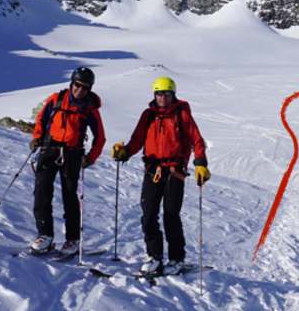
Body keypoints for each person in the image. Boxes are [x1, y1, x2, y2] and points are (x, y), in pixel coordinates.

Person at [111, 76, 210, 275]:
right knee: (148, 214)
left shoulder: (182, 114)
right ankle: (154, 256)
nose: (162, 97)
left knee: (171, 215)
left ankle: (176, 258)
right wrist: (125, 152)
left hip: (175, 171)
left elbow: (197, 140)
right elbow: (137, 139)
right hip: (152, 169)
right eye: (158, 93)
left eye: (166, 93)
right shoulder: (148, 115)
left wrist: (201, 164)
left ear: (173, 94)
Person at [28, 67, 105, 255]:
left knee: (70, 196)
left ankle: (72, 239)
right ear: (72, 83)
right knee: (42, 190)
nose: (80, 90)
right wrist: (37, 137)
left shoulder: (90, 109)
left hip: (72, 153)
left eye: (85, 87)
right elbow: (41, 119)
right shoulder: (56, 99)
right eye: (77, 85)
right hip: (49, 149)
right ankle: (45, 235)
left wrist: (90, 158)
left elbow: (100, 137)